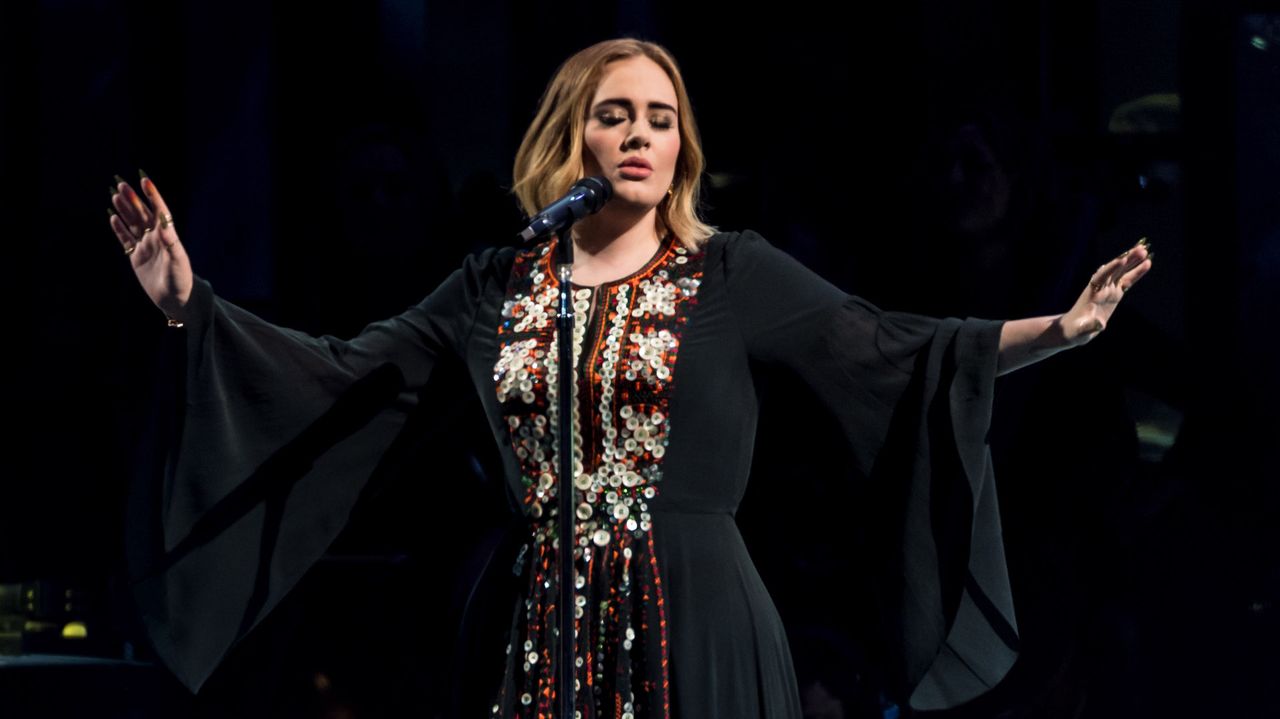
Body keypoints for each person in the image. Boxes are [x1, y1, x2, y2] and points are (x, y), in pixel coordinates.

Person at [107, 37, 1152, 719]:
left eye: (661, 116)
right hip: (542, 626)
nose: (642, 132)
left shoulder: (729, 272)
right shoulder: (492, 284)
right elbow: (340, 378)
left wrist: (1060, 326)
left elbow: (893, 347)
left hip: (701, 618)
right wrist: (187, 306)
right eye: (617, 113)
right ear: (572, 136)